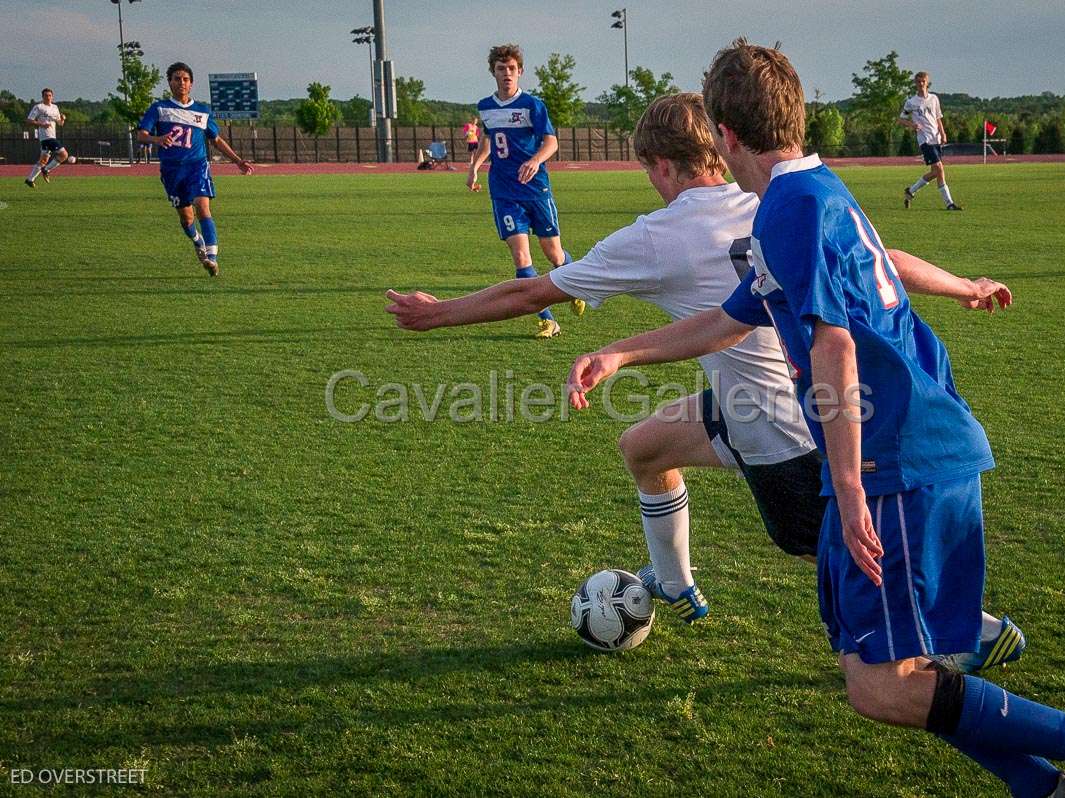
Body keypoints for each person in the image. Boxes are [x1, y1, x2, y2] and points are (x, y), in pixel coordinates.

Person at [564, 40, 1065, 798]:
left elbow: (835, 347)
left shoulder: (790, 207)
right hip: (910, 451)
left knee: (882, 685)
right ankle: (1043, 786)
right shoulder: (810, 190)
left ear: (725, 133)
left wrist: (846, 492)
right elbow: (730, 318)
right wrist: (620, 353)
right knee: (873, 666)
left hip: (899, 460)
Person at [386, 93, 1025, 675]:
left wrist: (436, 313)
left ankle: (970, 629)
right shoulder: (772, 197)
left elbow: (533, 291)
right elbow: (881, 260)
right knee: (645, 448)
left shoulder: (657, 236)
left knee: (833, 555)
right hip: (763, 400)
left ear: (661, 165)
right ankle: (671, 583)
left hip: (781, 427)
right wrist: (965, 285)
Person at [466, 43, 583, 338]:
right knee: (521, 257)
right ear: (493, 72)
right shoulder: (486, 107)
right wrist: (474, 166)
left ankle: (575, 283)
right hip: (504, 190)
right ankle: (547, 320)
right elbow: (489, 140)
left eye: (511, 69)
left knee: (554, 255)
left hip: (535, 188)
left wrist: (534, 160)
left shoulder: (533, 105)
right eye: (500, 69)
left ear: (520, 72)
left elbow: (551, 142)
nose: (506, 73)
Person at [137, 62, 253, 277]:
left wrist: (238, 160)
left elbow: (216, 139)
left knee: (203, 208)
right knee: (187, 219)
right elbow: (141, 134)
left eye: (185, 79)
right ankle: (197, 240)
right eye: (177, 78)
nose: (181, 82)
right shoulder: (160, 108)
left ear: (191, 84)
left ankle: (212, 258)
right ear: (169, 82)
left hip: (197, 167)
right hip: (172, 171)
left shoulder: (202, 111)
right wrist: (157, 138)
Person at [899, 71, 961, 210]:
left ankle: (911, 191)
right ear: (915, 84)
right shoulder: (911, 102)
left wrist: (943, 133)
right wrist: (912, 125)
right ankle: (949, 204)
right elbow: (901, 119)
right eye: (918, 82)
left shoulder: (934, 99)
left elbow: (938, 117)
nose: (921, 84)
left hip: (936, 138)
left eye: (923, 82)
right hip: (924, 140)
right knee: (939, 168)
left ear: (927, 83)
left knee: (935, 172)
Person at [25, 88, 71, 188]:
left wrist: (62, 119)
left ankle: (30, 179)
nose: (48, 97)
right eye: (46, 95)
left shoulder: (55, 107)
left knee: (43, 161)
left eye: (50, 95)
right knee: (64, 154)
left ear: (52, 96)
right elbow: (29, 120)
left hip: (51, 136)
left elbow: (60, 123)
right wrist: (41, 124)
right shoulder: (39, 107)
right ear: (42, 97)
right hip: (46, 137)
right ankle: (46, 170)